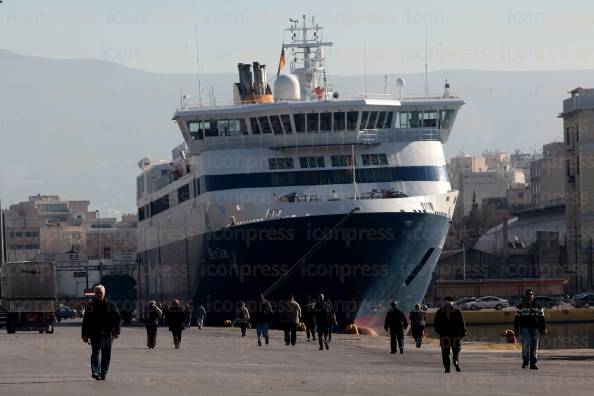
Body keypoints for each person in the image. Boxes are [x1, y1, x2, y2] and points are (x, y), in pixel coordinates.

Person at [81, 284, 121, 380]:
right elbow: (86, 321)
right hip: (95, 333)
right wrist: (84, 335)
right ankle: (96, 372)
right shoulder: (90, 306)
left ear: (104, 293)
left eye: (101, 293)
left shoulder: (110, 305)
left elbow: (117, 318)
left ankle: (103, 372)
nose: (99, 294)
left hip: (107, 334)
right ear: (94, 294)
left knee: (106, 353)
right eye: (97, 293)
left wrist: (117, 331)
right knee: (96, 352)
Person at [514, 289, 547, 369]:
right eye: (528, 294)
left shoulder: (538, 306)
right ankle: (525, 361)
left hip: (535, 328)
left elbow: (542, 318)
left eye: (531, 294)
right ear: (526, 296)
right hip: (524, 328)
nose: (529, 296)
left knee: (535, 346)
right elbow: (517, 319)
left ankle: (533, 363)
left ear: (533, 296)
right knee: (526, 345)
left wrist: (544, 328)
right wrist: (516, 329)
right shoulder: (521, 306)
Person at [434, 296, 467, 373]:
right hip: (456, 336)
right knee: (456, 350)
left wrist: (440, 333)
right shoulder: (457, 311)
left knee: (445, 353)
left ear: (444, 302)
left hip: (444, 336)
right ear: (452, 302)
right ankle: (456, 361)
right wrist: (463, 333)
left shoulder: (439, 312)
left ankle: (447, 369)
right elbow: (462, 323)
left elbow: (436, 324)